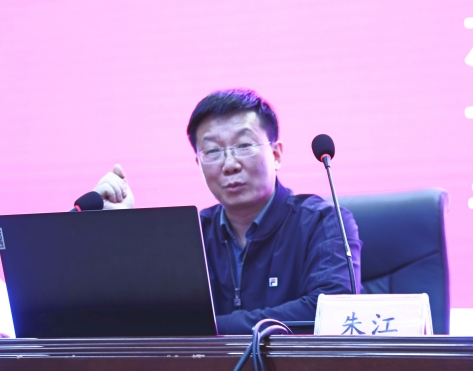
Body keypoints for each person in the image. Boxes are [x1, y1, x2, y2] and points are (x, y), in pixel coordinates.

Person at [93, 89, 362, 334]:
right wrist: (117, 229)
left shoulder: (323, 222)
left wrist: (204, 329)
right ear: (199, 164)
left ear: (276, 155)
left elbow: (331, 312)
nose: (230, 164)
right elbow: (145, 316)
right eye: (212, 151)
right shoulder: (191, 234)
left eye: (244, 146)